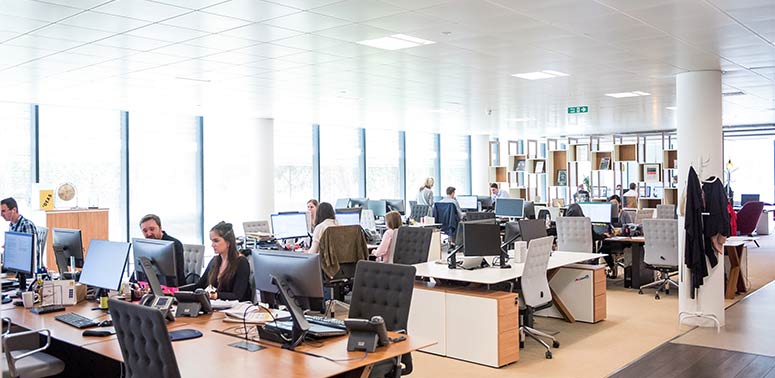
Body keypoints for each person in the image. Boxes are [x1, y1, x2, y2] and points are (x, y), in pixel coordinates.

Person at [194, 222, 252, 301]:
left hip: (235, 309)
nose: (212, 245)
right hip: (217, 307)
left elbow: (237, 295)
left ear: (228, 242)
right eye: (212, 241)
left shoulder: (241, 262)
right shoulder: (215, 261)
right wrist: (176, 291)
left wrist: (214, 295)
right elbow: (199, 285)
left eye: (216, 241)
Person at [139, 214, 186, 286]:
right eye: (145, 231)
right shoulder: (145, 246)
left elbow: (177, 275)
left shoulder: (174, 244)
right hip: (152, 286)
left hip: (172, 288)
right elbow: (139, 268)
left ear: (160, 228)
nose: (148, 233)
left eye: (152, 229)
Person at [2, 197, 39, 271]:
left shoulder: (26, 224)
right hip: (14, 264)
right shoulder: (12, 225)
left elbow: (32, 254)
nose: (1, 214)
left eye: (3, 211)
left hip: (23, 269)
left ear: (14, 210)